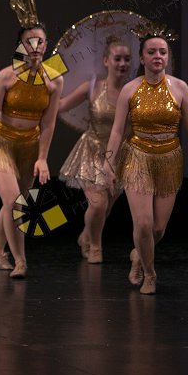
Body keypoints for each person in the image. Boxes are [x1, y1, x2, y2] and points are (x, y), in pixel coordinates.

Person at [105, 24, 188, 294]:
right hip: (137, 156)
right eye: (151, 52)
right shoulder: (130, 89)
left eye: (162, 52)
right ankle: (150, 274)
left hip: (168, 159)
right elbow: (117, 130)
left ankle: (138, 255)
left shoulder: (180, 88)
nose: (157, 56)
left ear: (167, 57)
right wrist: (108, 164)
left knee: (158, 229)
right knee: (143, 223)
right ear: (142, 58)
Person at [0, 0, 63, 279]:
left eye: (40, 41)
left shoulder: (54, 78)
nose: (35, 46)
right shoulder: (7, 75)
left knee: (17, 202)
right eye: (29, 41)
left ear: (46, 45)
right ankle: (20, 260)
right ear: (20, 45)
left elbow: (49, 123)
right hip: (1, 143)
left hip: (29, 145)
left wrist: (42, 158)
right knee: (15, 202)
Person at [59, 35, 132, 263]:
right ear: (106, 61)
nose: (122, 63)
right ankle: (95, 246)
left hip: (120, 155)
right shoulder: (92, 86)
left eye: (127, 59)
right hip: (91, 152)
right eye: (117, 58)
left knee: (106, 207)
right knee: (98, 205)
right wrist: (39, 93)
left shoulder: (133, 91)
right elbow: (60, 105)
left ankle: (85, 236)